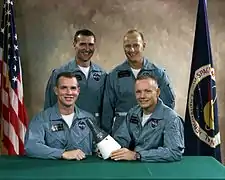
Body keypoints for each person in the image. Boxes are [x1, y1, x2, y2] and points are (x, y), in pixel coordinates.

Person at [102, 29, 175, 135]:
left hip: (151, 136)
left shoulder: (158, 74)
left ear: (144, 45)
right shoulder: (114, 76)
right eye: (127, 46)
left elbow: (169, 105)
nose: (131, 50)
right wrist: (106, 140)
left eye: (136, 45)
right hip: (122, 136)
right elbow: (107, 112)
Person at [110, 74, 184, 162]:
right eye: (138, 92)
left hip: (158, 169)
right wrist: (111, 148)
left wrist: (137, 155)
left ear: (157, 92)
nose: (142, 96)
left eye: (147, 91)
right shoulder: (133, 113)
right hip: (135, 166)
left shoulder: (170, 118)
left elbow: (174, 152)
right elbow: (121, 139)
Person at [25, 72, 96, 160]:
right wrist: (62, 154)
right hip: (53, 171)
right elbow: (31, 147)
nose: (69, 92)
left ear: (78, 91)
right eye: (64, 88)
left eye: (73, 88)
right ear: (56, 90)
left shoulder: (89, 119)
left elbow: (96, 148)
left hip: (84, 171)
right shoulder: (41, 119)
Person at [44, 29, 107, 126]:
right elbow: (49, 107)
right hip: (69, 130)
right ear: (74, 45)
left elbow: (106, 109)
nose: (87, 49)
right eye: (82, 44)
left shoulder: (102, 75)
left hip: (96, 131)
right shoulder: (60, 73)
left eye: (90, 45)